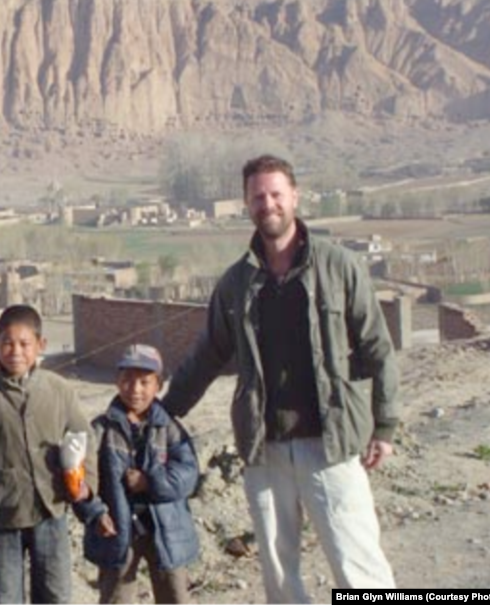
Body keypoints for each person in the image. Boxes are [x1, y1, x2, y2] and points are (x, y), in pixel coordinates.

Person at [162, 154, 399, 602]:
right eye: (258, 197)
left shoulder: (339, 266)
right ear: (246, 204)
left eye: (276, 194)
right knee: (278, 575)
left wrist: (384, 426)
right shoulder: (236, 283)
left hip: (330, 443)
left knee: (357, 565)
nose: (267, 204)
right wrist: (163, 412)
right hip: (264, 448)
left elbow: (378, 348)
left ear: (294, 197)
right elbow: (207, 356)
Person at [0, 303, 97, 604]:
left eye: (24, 343)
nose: (16, 352)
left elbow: (84, 438)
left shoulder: (59, 390)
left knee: (56, 593)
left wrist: (87, 485)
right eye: (7, 343)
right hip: (2, 515)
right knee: (6, 595)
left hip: (51, 510)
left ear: (40, 345)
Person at [75, 344, 200, 605]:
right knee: (116, 597)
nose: (135, 389)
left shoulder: (169, 428)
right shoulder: (101, 430)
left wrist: (149, 482)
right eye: (128, 380)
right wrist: (95, 513)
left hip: (165, 529)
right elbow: (80, 478)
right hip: (118, 530)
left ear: (158, 385)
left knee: (174, 595)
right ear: (117, 381)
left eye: (144, 382)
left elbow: (188, 474)